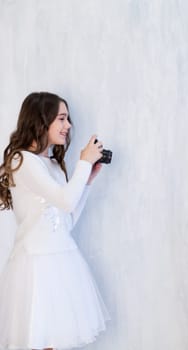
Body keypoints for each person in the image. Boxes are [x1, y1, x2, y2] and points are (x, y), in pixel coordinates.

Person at [0, 92, 109, 350]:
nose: (68, 125)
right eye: (61, 118)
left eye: (67, 119)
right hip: (36, 267)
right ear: (42, 121)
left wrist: (88, 181)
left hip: (62, 260)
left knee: (54, 344)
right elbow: (65, 200)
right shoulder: (22, 160)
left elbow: (67, 220)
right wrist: (83, 163)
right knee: (39, 341)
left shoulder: (53, 164)